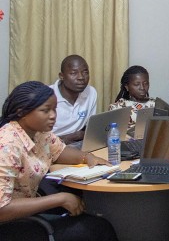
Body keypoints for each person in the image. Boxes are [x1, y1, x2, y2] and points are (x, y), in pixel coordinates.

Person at [0, 81, 118, 241]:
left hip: (27, 209)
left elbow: (60, 151)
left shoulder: (38, 133)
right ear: (22, 112)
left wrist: (88, 157)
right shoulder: (7, 144)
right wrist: (60, 199)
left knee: (86, 207)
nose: (53, 115)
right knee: (99, 228)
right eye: (45, 110)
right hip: (9, 224)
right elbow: (2, 209)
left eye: (54, 109)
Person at [49, 55, 97, 145]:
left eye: (85, 72)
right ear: (61, 76)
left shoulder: (91, 92)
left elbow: (89, 126)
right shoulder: (47, 96)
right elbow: (37, 138)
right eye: (73, 73)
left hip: (78, 142)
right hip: (51, 146)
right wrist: (68, 138)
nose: (81, 77)